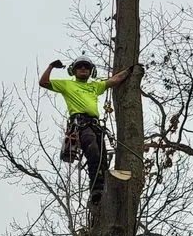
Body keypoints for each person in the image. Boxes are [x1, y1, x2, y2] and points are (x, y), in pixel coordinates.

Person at [39, 56, 133, 204]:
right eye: (80, 66)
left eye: (86, 67)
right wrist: (51, 66)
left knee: (102, 158)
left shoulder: (95, 86)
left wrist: (130, 70)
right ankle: (96, 191)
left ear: (91, 71)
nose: (83, 68)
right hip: (80, 124)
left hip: (95, 125)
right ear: (74, 70)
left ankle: (104, 189)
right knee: (93, 151)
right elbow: (43, 82)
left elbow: (114, 80)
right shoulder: (67, 85)